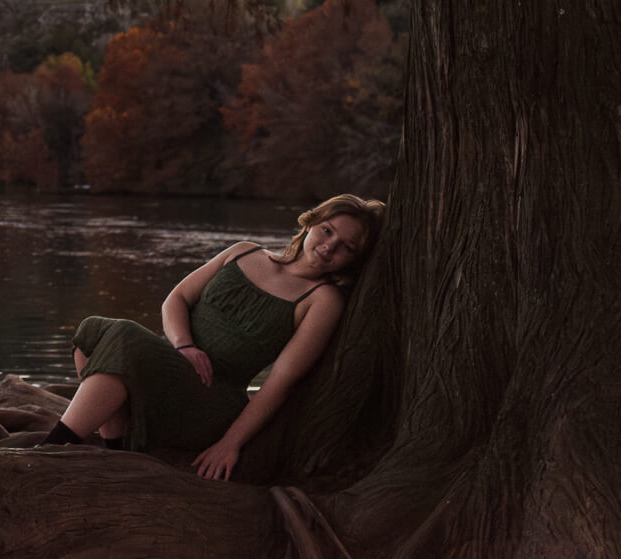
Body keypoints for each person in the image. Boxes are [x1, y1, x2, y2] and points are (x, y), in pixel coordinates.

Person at [39, 194, 386, 480]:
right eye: (326, 231)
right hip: (170, 362)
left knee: (124, 336)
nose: (329, 247)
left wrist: (230, 443)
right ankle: (117, 450)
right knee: (93, 331)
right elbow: (176, 299)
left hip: (212, 397)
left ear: (352, 261)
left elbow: (281, 381)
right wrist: (184, 346)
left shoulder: (321, 300)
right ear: (309, 222)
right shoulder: (244, 251)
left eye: (345, 247)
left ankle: (47, 454)